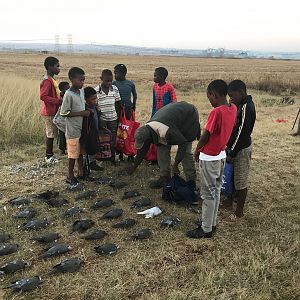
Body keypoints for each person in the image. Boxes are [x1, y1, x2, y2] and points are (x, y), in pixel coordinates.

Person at [186, 80, 237, 239]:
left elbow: (205, 135)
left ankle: (206, 229)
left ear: (214, 95)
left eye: (209, 97)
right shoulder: (233, 108)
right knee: (215, 192)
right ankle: (211, 223)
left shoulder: (216, 112)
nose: (209, 101)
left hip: (209, 157)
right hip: (221, 155)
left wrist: (197, 151)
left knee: (207, 194)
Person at [125, 101, 200, 189]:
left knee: (186, 153)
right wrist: (134, 166)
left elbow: (182, 143)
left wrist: (175, 164)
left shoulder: (165, 131)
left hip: (188, 116)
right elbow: (143, 149)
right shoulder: (148, 128)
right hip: (171, 120)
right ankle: (164, 177)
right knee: (161, 148)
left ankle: (191, 182)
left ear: (149, 138)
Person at [223, 80, 256, 221]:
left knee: (240, 181)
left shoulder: (245, 108)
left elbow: (241, 133)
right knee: (232, 176)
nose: (230, 98)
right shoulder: (240, 105)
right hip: (234, 148)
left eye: (232, 95)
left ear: (241, 93)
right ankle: (230, 201)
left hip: (241, 149)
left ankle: (239, 211)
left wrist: (232, 152)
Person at [60, 67, 90, 186]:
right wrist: (81, 113)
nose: (82, 83)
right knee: (73, 153)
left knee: (81, 151)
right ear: (72, 79)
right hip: (72, 129)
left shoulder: (81, 91)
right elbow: (64, 112)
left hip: (81, 126)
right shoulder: (68, 94)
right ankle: (70, 175)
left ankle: (81, 172)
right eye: (80, 80)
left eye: (83, 80)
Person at [95, 69, 122, 164]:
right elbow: (95, 106)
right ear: (101, 79)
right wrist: (98, 119)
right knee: (103, 139)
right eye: (107, 81)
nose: (109, 83)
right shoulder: (96, 91)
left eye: (111, 80)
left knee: (113, 139)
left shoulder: (114, 89)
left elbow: (118, 104)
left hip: (113, 119)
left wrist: (118, 117)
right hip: (102, 119)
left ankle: (112, 158)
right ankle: (103, 157)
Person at [113, 64, 137, 162]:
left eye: (116, 73)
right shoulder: (114, 83)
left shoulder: (130, 84)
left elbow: (135, 95)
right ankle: (121, 153)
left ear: (123, 73)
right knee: (120, 132)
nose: (114, 74)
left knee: (129, 131)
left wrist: (133, 105)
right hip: (117, 111)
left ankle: (130, 153)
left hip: (128, 110)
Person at [40, 56, 62, 163]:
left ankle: (51, 154)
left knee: (53, 132)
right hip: (49, 111)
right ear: (50, 67)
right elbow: (43, 96)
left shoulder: (52, 79)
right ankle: (48, 156)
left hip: (53, 110)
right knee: (50, 133)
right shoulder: (47, 81)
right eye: (57, 66)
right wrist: (57, 101)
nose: (59, 68)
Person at [58, 81, 70, 155]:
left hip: (66, 117)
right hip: (63, 117)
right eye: (67, 88)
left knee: (64, 133)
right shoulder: (62, 96)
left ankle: (64, 148)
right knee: (62, 133)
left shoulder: (66, 95)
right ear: (62, 90)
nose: (69, 89)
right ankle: (62, 149)